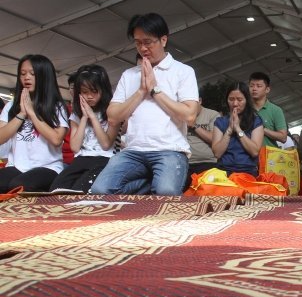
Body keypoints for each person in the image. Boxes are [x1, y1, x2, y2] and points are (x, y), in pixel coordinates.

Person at [90, 13, 199, 195]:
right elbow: (112, 117)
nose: (142, 48)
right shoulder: (129, 75)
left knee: (165, 192)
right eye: (138, 42)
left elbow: (189, 115)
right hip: (133, 151)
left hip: (170, 150)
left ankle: (155, 184)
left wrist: (155, 90)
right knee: (100, 190)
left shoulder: (183, 71)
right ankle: (150, 184)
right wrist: (141, 91)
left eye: (148, 42)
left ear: (163, 40)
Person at [0, 54, 69, 192]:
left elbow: (56, 139)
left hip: (48, 167)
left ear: (44, 76)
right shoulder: (12, 106)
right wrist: (21, 114)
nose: (26, 77)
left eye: (33, 74)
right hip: (17, 166)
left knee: (19, 186)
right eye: (23, 73)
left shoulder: (57, 106)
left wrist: (32, 113)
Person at [49, 65, 119, 193]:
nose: (89, 96)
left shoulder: (111, 111)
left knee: (80, 190)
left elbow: (106, 144)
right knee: (56, 189)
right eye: (85, 92)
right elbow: (75, 147)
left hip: (104, 158)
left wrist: (92, 116)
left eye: (94, 91)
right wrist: (83, 117)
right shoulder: (76, 113)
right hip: (81, 158)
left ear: (103, 90)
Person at [211, 81, 264, 176]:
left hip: (248, 172)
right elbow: (217, 153)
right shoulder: (220, 122)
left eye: (239, 100)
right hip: (223, 172)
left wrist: (238, 129)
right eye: (231, 99)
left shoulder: (256, 121)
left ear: (247, 100)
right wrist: (229, 130)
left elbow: (254, 152)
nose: (235, 103)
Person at [184, 95, 221, 189]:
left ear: (199, 101)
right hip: (184, 163)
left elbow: (214, 139)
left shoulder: (212, 115)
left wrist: (194, 126)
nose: (188, 106)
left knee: (206, 190)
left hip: (208, 162)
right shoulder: (181, 114)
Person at [249, 72, 288, 148]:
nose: (254, 89)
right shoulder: (244, 108)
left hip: (268, 157)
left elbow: (283, 137)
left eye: (259, 86)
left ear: (267, 89)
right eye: (251, 86)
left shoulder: (276, 110)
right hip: (247, 157)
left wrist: (261, 128)